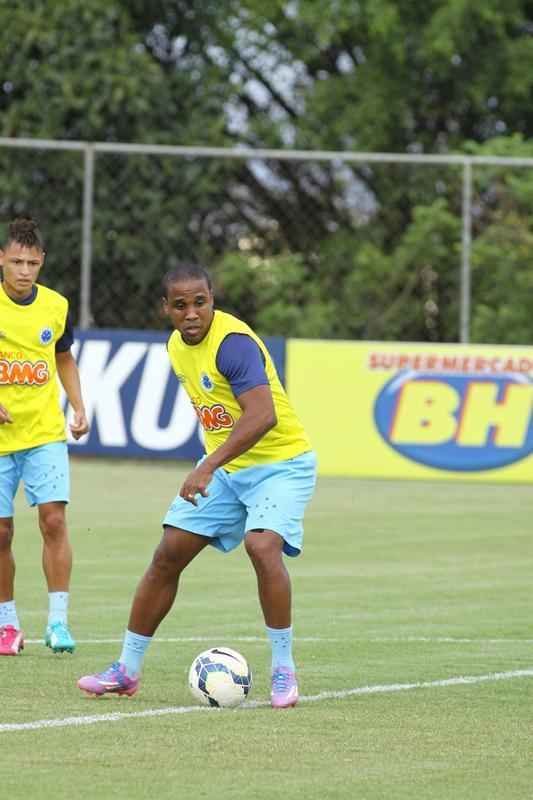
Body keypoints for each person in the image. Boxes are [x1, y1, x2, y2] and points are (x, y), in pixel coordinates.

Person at [78, 262, 317, 708]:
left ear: (213, 300)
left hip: (282, 464)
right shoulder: (175, 346)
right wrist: (214, 465)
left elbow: (263, 416)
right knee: (168, 554)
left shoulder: (234, 345)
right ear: (165, 308)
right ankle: (126, 671)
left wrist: (206, 465)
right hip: (228, 471)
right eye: (181, 305)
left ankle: (283, 670)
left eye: (200, 302)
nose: (192, 313)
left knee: (263, 547)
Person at [0, 216, 89, 656]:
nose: (23, 270)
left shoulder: (55, 305)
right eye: (16, 261)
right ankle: (7, 625)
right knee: (0, 533)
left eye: (32, 262)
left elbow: (64, 358)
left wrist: (78, 405)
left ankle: (58, 623)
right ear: (1, 258)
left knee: (53, 519)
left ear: (42, 262)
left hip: (43, 433)